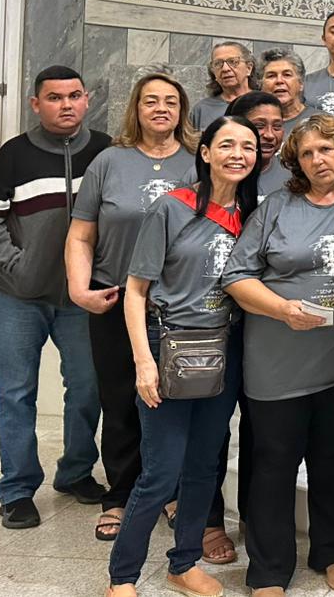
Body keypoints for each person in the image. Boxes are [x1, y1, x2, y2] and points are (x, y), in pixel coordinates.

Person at [221, 115, 334, 596]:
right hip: (277, 358)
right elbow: (236, 276)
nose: (319, 160)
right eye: (308, 153)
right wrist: (281, 309)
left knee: (332, 456)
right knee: (273, 460)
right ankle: (269, 568)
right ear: (296, 162)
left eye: (327, 150)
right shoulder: (276, 207)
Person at [105, 116, 259, 597]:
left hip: (224, 348)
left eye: (249, 146)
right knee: (160, 472)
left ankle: (184, 561)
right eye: (227, 144)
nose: (239, 153)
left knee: (203, 466)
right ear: (206, 151)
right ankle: (122, 576)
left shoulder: (255, 216)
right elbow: (135, 292)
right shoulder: (172, 207)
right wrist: (143, 362)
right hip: (168, 346)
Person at [66, 73, 197, 542]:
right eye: (150, 101)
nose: (160, 108)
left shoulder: (196, 164)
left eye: (170, 101)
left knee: (177, 403)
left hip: (178, 303)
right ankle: (120, 495)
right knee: (119, 401)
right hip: (115, 297)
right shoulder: (109, 161)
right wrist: (80, 291)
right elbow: (82, 235)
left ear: (182, 110)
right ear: (135, 109)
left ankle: (174, 492)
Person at [0, 66, 110, 530]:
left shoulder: (105, 152)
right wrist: (14, 265)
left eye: (74, 96)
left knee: (87, 387)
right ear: (35, 104)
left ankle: (77, 472)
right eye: (55, 97)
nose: (66, 105)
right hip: (16, 296)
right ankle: (18, 489)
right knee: (15, 392)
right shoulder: (12, 156)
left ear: (88, 99)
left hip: (80, 297)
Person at [226, 91, 288, 200]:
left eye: (277, 126)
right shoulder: (212, 174)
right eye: (259, 126)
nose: (269, 135)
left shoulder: (293, 177)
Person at [189, 42, 257, 130]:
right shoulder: (201, 110)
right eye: (218, 64)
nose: (225, 69)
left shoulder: (264, 103)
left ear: (249, 68)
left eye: (233, 62)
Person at [261, 48, 320, 132]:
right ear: (261, 84)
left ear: (301, 83)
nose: (279, 81)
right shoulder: (250, 122)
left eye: (287, 75)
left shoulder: (322, 122)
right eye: (271, 76)